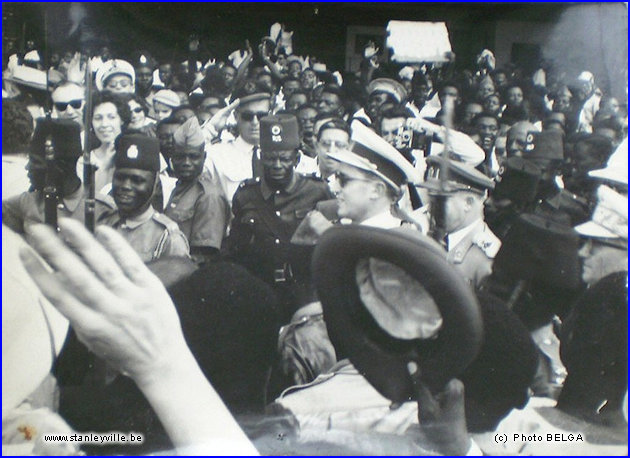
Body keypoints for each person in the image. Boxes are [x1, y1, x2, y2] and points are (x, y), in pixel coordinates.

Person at [228, 113, 331, 320]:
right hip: (260, 293)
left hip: (305, 295)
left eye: (284, 159)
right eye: (270, 158)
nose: (276, 165)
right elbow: (235, 252)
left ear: (296, 158)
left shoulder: (317, 192)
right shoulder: (246, 195)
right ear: (260, 156)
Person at [3, 118, 114, 235]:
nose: (27, 167)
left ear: (61, 167)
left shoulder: (104, 210)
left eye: (35, 162)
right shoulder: (26, 202)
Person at [100, 134, 189, 262]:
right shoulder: (103, 223)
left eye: (137, 180)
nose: (126, 186)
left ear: (155, 184)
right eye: (120, 177)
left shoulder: (168, 239)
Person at [421, 155, 501, 288]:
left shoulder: (485, 258)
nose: (430, 208)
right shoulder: (429, 235)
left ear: (468, 203)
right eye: (431, 199)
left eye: (440, 201)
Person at [165, 117, 229, 261]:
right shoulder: (179, 188)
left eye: (193, 157)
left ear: (204, 157)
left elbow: (203, 256)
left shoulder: (208, 195)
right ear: (172, 159)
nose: (186, 163)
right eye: (180, 157)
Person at [205, 82, 272, 203]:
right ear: (236, 116)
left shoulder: (282, 154)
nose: (255, 122)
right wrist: (210, 129)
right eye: (247, 116)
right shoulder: (217, 154)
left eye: (261, 115)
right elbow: (187, 160)